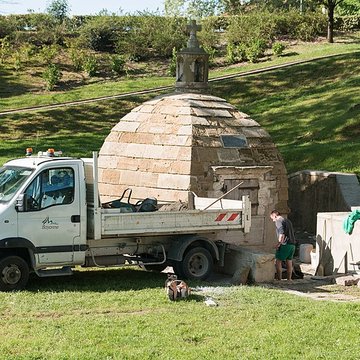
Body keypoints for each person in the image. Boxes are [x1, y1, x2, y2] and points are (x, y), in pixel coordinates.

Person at [270, 210, 296, 281]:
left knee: (278, 261)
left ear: (275, 215)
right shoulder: (288, 221)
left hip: (285, 244)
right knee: (289, 261)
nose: (273, 221)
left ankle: (279, 279)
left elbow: (281, 233)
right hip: (292, 244)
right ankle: (289, 279)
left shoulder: (278, 221)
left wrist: (278, 244)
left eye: (272, 218)